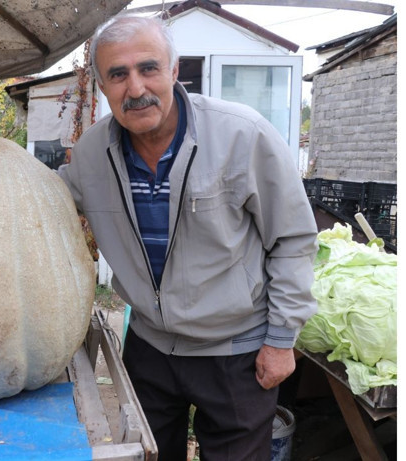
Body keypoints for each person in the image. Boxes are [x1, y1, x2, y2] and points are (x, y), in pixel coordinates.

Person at [57, 14, 319, 461]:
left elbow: (292, 239)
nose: (135, 88)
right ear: (102, 86)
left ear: (175, 71)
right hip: (150, 348)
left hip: (237, 350)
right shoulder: (90, 157)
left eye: (149, 68)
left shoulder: (243, 134)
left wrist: (280, 340)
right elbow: (42, 205)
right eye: (118, 75)